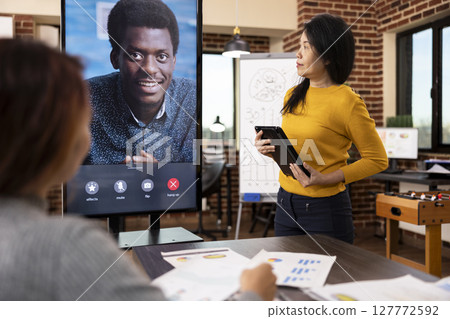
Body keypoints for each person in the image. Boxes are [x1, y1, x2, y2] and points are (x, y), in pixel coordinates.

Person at [0, 38, 276, 301]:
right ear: (52, 136)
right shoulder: (65, 247)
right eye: (82, 119)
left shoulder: (184, 104)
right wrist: (254, 294)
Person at [255, 14, 388, 244]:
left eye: (306, 47)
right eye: (300, 46)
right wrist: (270, 149)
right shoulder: (292, 96)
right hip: (285, 203)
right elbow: (296, 152)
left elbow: (377, 160)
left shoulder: (347, 101)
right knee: (287, 277)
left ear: (328, 56)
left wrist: (326, 179)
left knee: (331, 279)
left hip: (325, 210)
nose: (298, 54)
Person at [84, 0, 196, 165]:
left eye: (162, 57)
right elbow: (68, 177)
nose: (150, 69)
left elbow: (197, 180)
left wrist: (161, 178)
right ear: (115, 59)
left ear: (173, 61)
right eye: (135, 55)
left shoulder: (192, 99)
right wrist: (112, 177)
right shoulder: (84, 99)